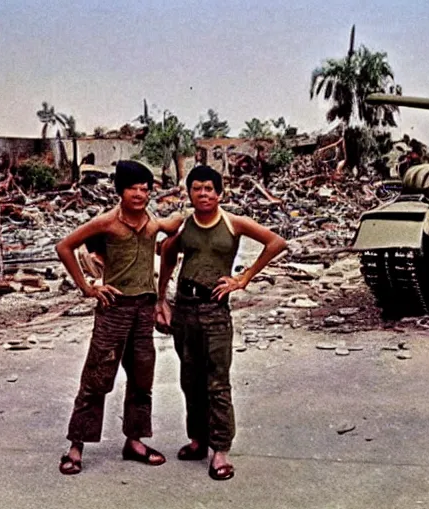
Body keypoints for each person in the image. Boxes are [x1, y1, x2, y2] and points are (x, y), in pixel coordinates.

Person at [155, 165, 287, 481]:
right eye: (197, 188)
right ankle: (198, 440)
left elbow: (276, 243)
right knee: (190, 380)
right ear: (188, 193)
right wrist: (162, 298)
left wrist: (243, 278)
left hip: (215, 311)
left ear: (219, 192)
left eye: (209, 189)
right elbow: (166, 253)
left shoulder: (233, 223)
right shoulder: (183, 225)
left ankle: (220, 450)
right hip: (184, 309)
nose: (203, 194)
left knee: (217, 383)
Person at [55, 160, 184, 475]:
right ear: (120, 191)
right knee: (96, 379)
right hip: (115, 309)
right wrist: (88, 287)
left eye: (145, 189)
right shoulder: (107, 222)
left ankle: (135, 441)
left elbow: (172, 225)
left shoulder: (152, 223)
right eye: (133, 188)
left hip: (144, 310)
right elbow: (64, 246)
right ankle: (76, 446)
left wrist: (182, 211)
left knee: (142, 379)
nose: (139, 194)